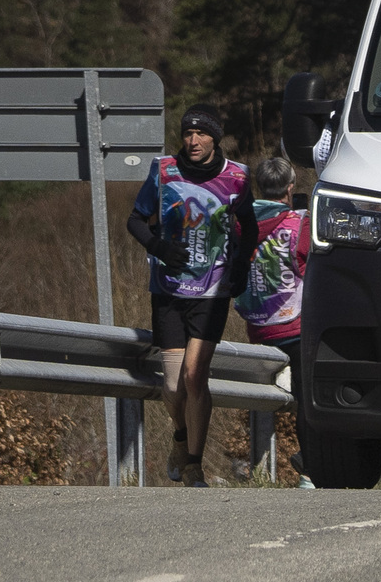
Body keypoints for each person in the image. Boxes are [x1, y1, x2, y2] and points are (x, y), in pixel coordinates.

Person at [126, 103, 257, 486]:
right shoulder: (164, 171)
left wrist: (242, 267)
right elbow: (135, 220)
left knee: (195, 375)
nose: (192, 140)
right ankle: (180, 439)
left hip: (213, 290)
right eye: (187, 133)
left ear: (215, 138)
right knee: (171, 385)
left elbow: (248, 228)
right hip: (168, 288)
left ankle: (195, 464)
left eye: (200, 134)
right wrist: (158, 247)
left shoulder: (237, 177)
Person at [235, 154, 310, 481]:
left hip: (258, 329)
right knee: (309, 394)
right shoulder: (298, 224)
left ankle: (260, 466)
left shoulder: (238, 224)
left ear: (258, 187)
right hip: (295, 328)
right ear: (290, 188)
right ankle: (310, 464)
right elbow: (309, 269)